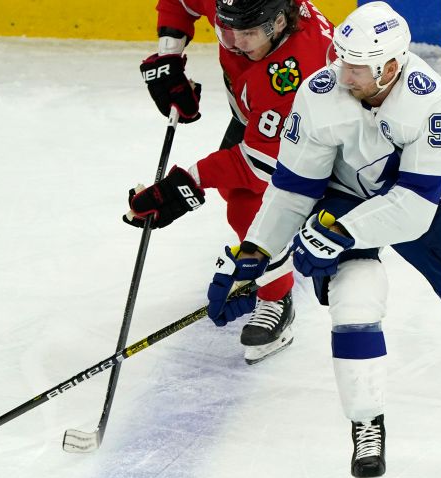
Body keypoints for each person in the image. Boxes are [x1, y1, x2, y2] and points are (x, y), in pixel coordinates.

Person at [204, 1, 441, 478]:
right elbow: (291, 190)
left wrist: (339, 233)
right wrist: (257, 252)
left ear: (390, 66)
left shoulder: (427, 97)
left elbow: (414, 205)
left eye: (356, 67)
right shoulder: (319, 92)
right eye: (340, 58)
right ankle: (366, 424)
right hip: (343, 199)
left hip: (422, 202)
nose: (342, 74)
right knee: (355, 305)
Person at [126, 0, 334, 364]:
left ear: (280, 23)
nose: (235, 43)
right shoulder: (240, 8)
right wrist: (170, 55)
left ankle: (275, 298)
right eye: (227, 30)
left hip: (320, 140)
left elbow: (258, 166)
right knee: (238, 195)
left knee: (249, 206)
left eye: (248, 34)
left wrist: (187, 182)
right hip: (260, 122)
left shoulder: (299, 70)